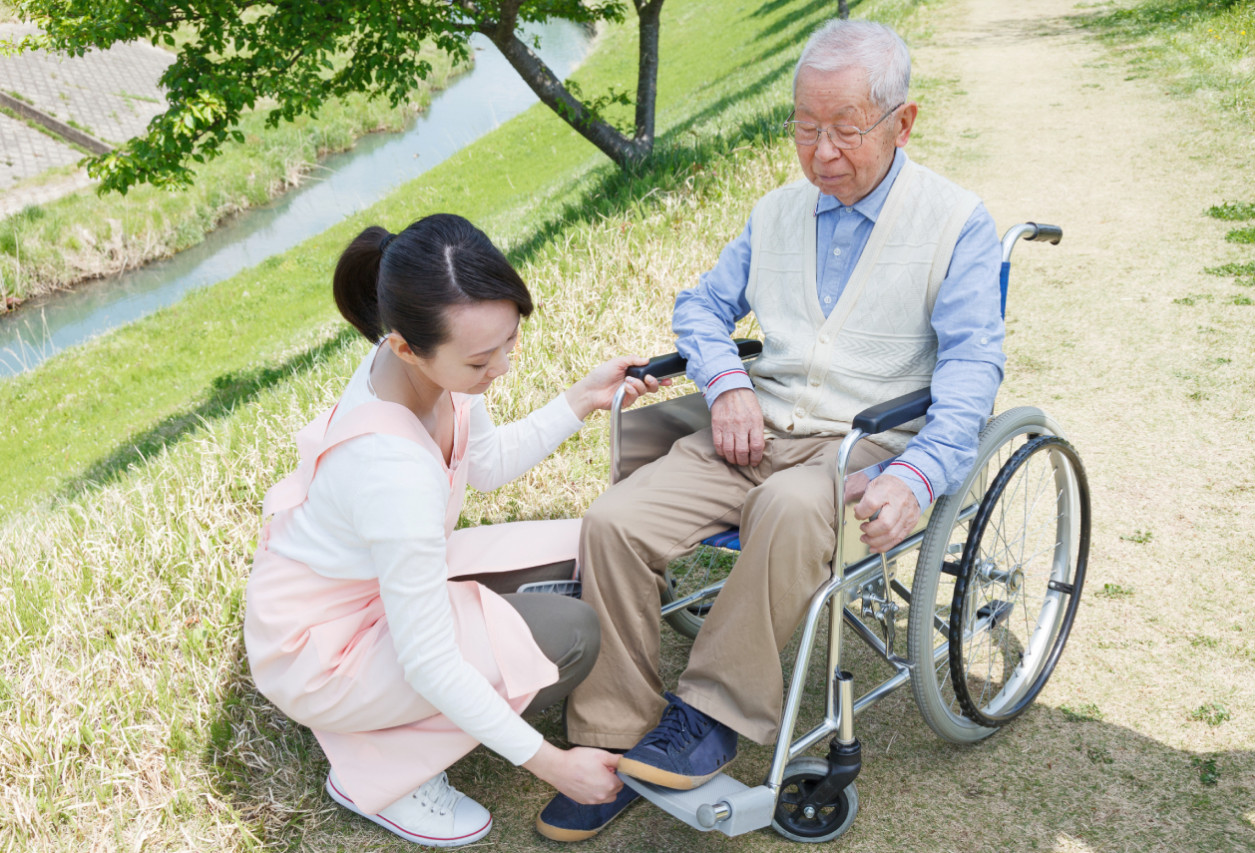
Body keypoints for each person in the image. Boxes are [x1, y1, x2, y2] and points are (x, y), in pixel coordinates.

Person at [536, 18, 1006, 840]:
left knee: (790, 508)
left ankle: (708, 713)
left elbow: (972, 371)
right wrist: (723, 385)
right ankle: (608, 742)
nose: (821, 152)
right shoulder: (779, 211)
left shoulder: (955, 224)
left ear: (903, 122)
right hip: (750, 431)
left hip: (862, 445)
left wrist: (920, 475)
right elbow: (701, 307)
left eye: (845, 130)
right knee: (612, 522)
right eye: (803, 127)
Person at [243, 213, 660, 848]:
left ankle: (400, 717)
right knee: (569, 636)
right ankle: (382, 771)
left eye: (509, 343)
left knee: (600, 545)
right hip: (324, 652)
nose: (502, 367)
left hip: (378, 589)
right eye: (481, 359)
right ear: (407, 345)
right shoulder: (391, 470)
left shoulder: (434, 365)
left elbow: (486, 465)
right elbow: (431, 661)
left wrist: (581, 399)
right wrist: (553, 764)